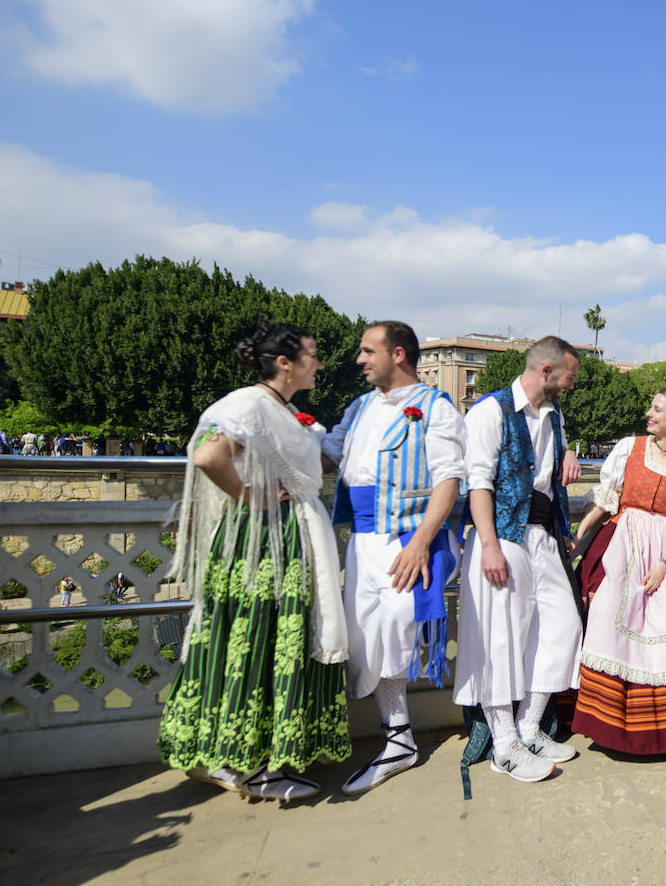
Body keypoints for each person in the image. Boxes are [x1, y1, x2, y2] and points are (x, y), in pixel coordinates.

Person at [157, 319, 349, 802]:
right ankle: (256, 764)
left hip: (270, 541)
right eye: (312, 354)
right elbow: (208, 456)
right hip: (265, 544)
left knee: (245, 640)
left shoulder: (278, 409)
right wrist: (250, 497)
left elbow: (307, 460)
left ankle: (230, 757)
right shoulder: (250, 404)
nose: (319, 363)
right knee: (264, 640)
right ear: (284, 362)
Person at [324, 321, 466, 796]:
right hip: (363, 539)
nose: (359, 360)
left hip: (408, 537)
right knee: (366, 633)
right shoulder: (359, 406)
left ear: (398, 354)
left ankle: (399, 739)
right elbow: (327, 453)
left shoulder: (435, 407)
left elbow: (449, 480)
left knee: (396, 624)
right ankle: (398, 736)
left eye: (367, 351)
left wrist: (422, 540)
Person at [572, 388, 666, 780]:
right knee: (610, 619)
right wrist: (580, 534)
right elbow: (605, 500)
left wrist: (663, 565)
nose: (648, 412)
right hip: (624, 543)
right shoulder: (628, 448)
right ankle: (613, 726)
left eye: (656, 409)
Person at [452, 336, 583, 783]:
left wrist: (569, 451)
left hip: (543, 535)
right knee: (499, 637)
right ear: (546, 371)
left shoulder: (555, 417)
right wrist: (488, 544)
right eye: (569, 376)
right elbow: (479, 482)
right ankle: (504, 743)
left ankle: (529, 727)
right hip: (504, 533)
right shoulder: (490, 411)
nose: (572, 385)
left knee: (563, 626)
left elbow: (545, 474)